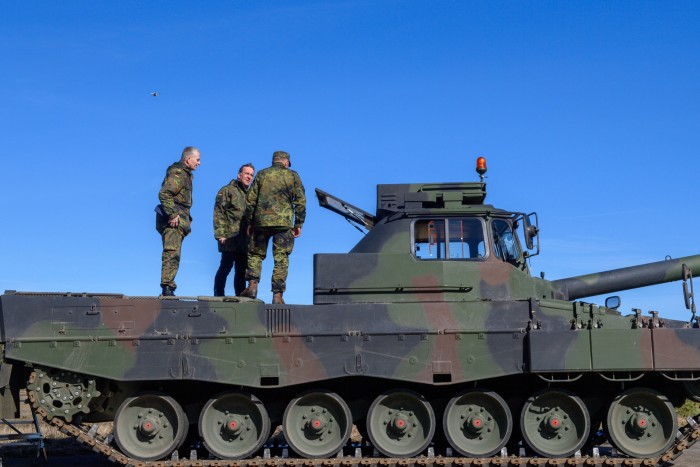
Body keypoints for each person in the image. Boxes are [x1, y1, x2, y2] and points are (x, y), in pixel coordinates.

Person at [240, 151, 306, 304]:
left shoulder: (262, 175)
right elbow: (301, 202)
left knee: (255, 254)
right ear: (286, 163)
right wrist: (298, 223)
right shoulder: (293, 176)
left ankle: (252, 286)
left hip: (261, 223)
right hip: (284, 224)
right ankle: (277, 295)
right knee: (281, 258)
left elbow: (250, 201)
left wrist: (250, 222)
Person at [155, 146, 201, 296]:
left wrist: (188, 218)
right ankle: (167, 287)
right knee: (172, 253)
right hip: (172, 221)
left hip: (179, 219)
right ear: (188, 159)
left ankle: (169, 286)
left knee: (175, 253)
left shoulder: (185, 174)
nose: (199, 163)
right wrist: (173, 214)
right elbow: (165, 194)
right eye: (197, 159)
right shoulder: (179, 172)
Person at [213, 163, 255, 296]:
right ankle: (218, 294)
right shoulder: (227, 190)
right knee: (225, 266)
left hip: (245, 240)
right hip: (229, 237)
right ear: (239, 175)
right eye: (246, 173)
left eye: (251, 175)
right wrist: (220, 234)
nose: (249, 177)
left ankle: (240, 296)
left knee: (241, 270)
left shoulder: (252, 194)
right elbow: (219, 212)